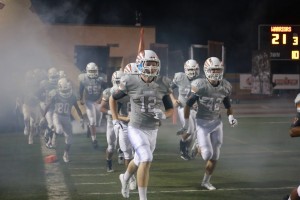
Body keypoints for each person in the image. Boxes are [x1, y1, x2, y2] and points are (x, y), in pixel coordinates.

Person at [109, 50, 174, 199]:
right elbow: (113, 99)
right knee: (146, 158)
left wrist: (164, 115)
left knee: (138, 160)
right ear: (139, 65)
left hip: (153, 129)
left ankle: (124, 178)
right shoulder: (130, 81)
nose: (151, 68)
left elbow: (170, 109)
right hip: (136, 127)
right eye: (148, 64)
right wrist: (115, 120)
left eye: (154, 64)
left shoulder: (162, 83)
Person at [180, 57, 238, 190]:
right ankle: (198, 144)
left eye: (218, 70)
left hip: (217, 123)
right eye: (213, 70)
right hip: (202, 123)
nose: (216, 73)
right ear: (207, 70)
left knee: (215, 155)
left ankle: (206, 181)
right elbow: (188, 105)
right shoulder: (200, 85)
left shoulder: (225, 86)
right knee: (207, 154)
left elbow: (228, 105)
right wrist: (187, 123)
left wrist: (231, 118)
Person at [40, 78, 84, 162]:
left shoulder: (72, 96)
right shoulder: (55, 94)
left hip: (67, 117)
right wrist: (43, 116)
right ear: (59, 88)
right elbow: (48, 105)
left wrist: (81, 118)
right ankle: (52, 139)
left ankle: (66, 154)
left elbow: (77, 108)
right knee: (59, 130)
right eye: (63, 91)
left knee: (70, 139)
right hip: (57, 115)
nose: (65, 92)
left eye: (67, 90)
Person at [170, 59, 200, 160]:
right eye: (190, 69)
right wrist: (173, 100)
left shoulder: (201, 80)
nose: (192, 72)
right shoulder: (180, 77)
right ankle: (182, 146)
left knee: (194, 134)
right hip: (183, 107)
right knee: (190, 129)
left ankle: (185, 149)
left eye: (194, 69)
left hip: (195, 109)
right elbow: (169, 89)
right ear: (185, 69)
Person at [78, 62, 106, 148]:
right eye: (91, 71)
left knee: (97, 123)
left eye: (94, 71)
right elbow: (81, 90)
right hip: (89, 101)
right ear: (87, 71)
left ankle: (88, 126)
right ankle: (94, 140)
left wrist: (100, 99)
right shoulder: (83, 78)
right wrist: (81, 99)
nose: (93, 73)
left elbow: (105, 92)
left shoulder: (101, 78)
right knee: (92, 121)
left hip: (98, 101)